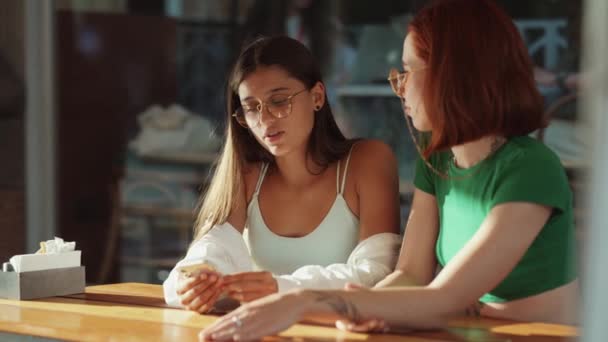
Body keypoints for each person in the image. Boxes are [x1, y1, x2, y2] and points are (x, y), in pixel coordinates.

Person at [199, 0, 579, 339]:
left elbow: (445, 298)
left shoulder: (531, 168)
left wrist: (303, 301)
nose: (400, 85)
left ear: (455, 73)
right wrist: (364, 308)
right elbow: (410, 274)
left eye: (411, 69)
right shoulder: (438, 162)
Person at [162, 36, 402, 313]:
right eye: (251, 107)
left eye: (279, 101)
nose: (264, 121)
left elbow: (379, 274)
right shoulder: (249, 172)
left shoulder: (367, 161)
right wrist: (197, 280)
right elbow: (212, 249)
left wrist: (280, 289)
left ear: (317, 97)